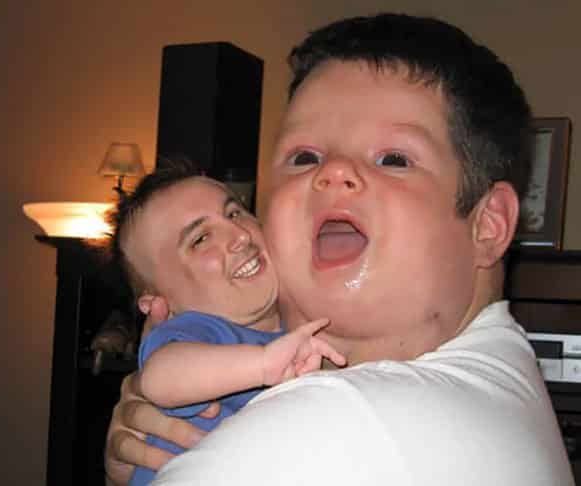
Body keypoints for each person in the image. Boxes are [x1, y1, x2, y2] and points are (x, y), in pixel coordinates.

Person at [105, 12, 574, 486]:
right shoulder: (502, 378)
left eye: (394, 158)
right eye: (304, 157)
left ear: (489, 225)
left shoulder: (333, 426)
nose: (333, 172)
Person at [107, 165, 346, 485]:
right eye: (200, 239)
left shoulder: (298, 327)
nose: (240, 235)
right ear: (158, 301)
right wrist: (263, 364)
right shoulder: (195, 332)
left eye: (234, 213)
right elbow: (160, 378)